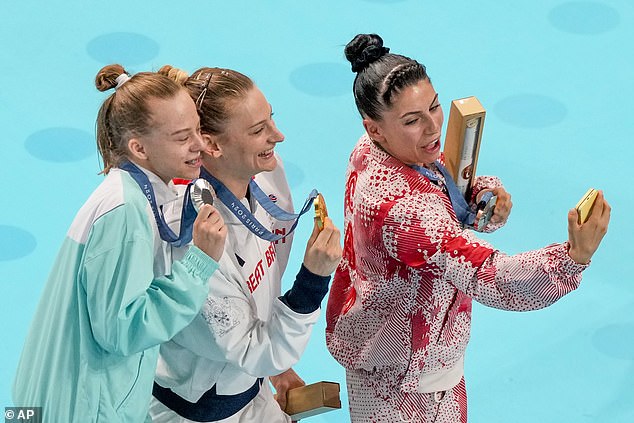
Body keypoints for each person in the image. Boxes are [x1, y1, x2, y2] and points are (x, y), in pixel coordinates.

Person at [325, 34, 611, 423]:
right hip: (407, 383)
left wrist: (477, 192)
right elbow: (490, 277)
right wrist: (573, 257)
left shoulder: (373, 148)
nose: (432, 128)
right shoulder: (402, 210)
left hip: (393, 347)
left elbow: (435, 174)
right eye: (412, 120)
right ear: (374, 127)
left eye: (434, 107)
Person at [12, 64, 227, 423]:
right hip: (79, 408)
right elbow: (123, 330)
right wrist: (200, 262)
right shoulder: (124, 213)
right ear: (139, 148)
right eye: (181, 137)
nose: (199, 145)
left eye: (197, 130)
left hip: (67, 399)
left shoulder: (128, 192)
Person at [149, 66, 343, 423]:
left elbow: (267, 274)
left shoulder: (266, 171)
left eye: (271, 119)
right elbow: (253, 349)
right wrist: (313, 281)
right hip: (198, 413)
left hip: (249, 382)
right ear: (211, 144)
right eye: (258, 130)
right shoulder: (196, 239)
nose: (278, 136)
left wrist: (274, 369)